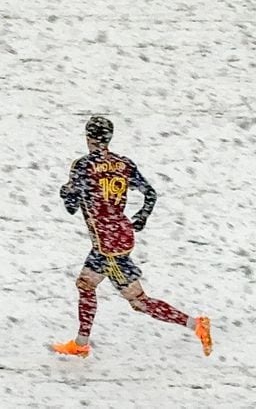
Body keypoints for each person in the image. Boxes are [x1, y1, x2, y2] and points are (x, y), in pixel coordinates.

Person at [50, 116, 212, 358]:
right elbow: (150, 193)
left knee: (137, 301)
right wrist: (142, 217)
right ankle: (81, 342)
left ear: (88, 138)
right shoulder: (123, 164)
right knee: (85, 284)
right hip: (119, 235)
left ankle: (196, 324)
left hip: (108, 245)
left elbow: (72, 206)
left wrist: (66, 192)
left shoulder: (83, 166)